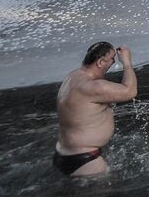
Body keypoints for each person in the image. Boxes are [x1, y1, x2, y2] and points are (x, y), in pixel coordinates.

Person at [55, 42, 137, 177]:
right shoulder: (92, 86)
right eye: (112, 59)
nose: (114, 62)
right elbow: (130, 91)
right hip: (85, 161)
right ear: (100, 62)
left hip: (64, 153)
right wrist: (127, 62)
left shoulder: (73, 76)